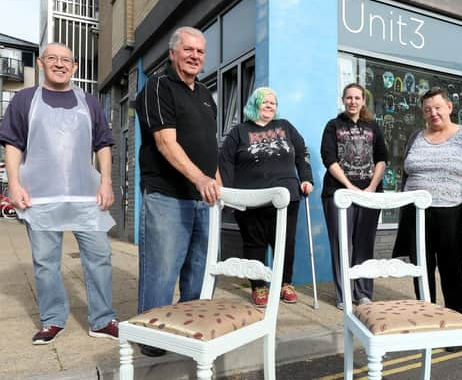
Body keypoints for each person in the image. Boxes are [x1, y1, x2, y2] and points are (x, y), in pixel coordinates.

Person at [0, 42, 118, 344]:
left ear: (75, 67)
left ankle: (102, 320)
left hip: (85, 196)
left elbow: (103, 143)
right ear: (41, 63)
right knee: (45, 261)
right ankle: (53, 319)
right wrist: (14, 183)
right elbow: (13, 143)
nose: (59, 64)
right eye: (52, 58)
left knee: (99, 257)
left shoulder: (89, 102)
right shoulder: (25, 100)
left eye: (66, 60)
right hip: (39, 196)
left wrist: (106, 181)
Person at [136, 26, 220, 357]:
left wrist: (216, 182)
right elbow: (165, 142)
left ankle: (186, 330)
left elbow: (208, 145)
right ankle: (153, 339)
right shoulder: (158, 86)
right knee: (161, 271)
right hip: (167, 196)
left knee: (198, 272)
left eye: (200, 51)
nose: (195, 56)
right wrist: (201, 179)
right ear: (172, 53)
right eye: (188, 49)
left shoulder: (203, 93)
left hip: (203, 199)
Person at [392, 87, 462, 321]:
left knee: (451, 272)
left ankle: (455, 325)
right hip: (416, 214)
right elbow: (406, 172)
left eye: (438, 108)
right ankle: (428, 321)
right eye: (427, 110)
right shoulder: (415, 137)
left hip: (452, 214)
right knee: (421, 271)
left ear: (449, 108)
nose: (433, 113)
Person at [219, 87, 313, 307]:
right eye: (265, 102)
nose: (270, 105)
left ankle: (284, 284)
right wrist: (228, 193)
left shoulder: (285, 127)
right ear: (255, 104)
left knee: (285, 243)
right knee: (254, 243)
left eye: (273, 102)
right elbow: (225, 162)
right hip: (250, 198)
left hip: (286, 196)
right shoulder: (239, 132)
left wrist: (306, 178)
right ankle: (258, 286)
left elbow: (302, 153)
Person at [321, 83, 387, 310]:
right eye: (349, 98)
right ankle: (344, 295)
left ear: (363, 101)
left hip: (369, 194)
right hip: (338, 194)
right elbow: (328, 158)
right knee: (341, 245)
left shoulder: (373, 126)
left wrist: (371, 188)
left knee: (364, 244)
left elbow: (381, 158)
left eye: (357, 98)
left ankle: (364, 293)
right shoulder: (333, 125)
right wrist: (349, 186)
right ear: (343, 100)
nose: (353, 102)